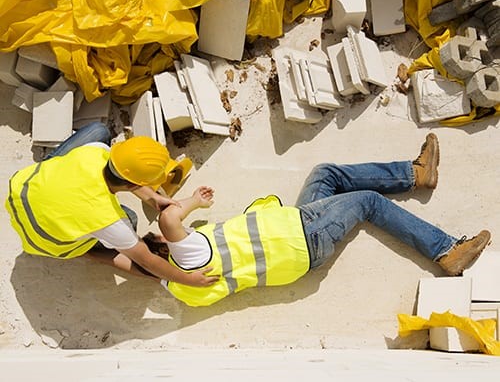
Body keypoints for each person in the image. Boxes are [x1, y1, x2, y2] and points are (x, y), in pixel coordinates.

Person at [157, 133, 491, 307]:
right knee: (368, 202)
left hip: (296, 238)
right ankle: (446, 251)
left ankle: (417, 174)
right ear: (164, 248)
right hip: (304, 236)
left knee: (325, 174)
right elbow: (169, 217)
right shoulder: (191, 255)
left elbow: (143, 264)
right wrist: (193, 202)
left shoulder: (182, 289)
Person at [5, 122, 218, 287]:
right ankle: (84, 250)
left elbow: (123, 175)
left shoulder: (95, 151)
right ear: (135, 183)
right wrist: (189, 280)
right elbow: (147, 262)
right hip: (44, 240)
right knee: (131, 221)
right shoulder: (111, 221)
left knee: (98, 130)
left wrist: (153, 198)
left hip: (22, 190)